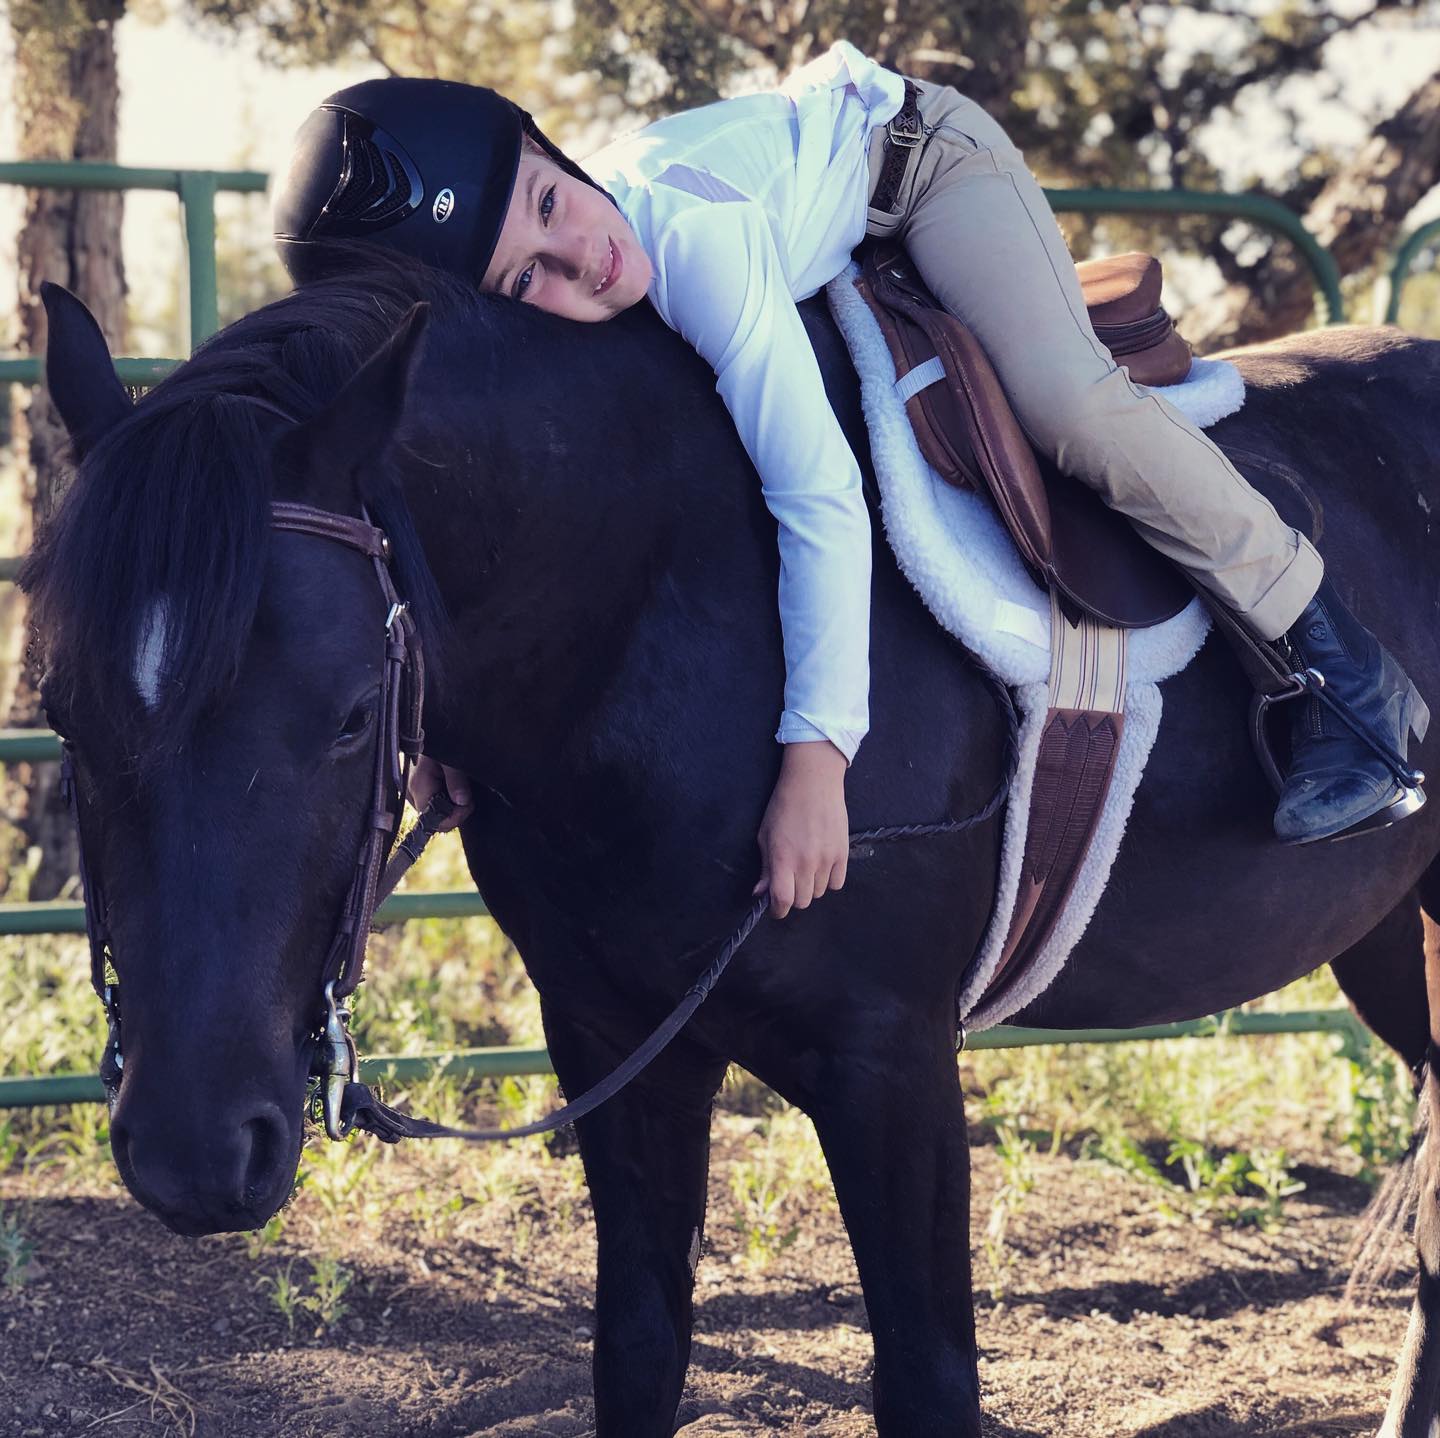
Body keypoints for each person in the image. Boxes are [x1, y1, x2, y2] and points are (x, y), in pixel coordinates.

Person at [271, 44, 1428, 916]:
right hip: (822, 203)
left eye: (549, 202)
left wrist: (818, 765)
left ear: (551, 147)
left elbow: (817, 496)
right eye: (529, 280)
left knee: (1069, 402)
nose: (583, 259)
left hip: (923, 167)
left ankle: (1342, 663)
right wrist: (447, 732)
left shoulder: (691, 247)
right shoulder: (592, 281)